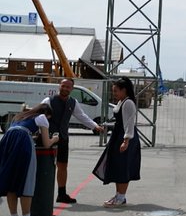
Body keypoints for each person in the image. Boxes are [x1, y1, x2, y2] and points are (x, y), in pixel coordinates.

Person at [43, 78, 104, 204]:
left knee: (63, 166)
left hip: (63, 139)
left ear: (72, 89)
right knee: (46, 167)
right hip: (47, 139)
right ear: (59, 86)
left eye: (68, 87)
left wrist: (94, 126)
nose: (65, 88)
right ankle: (42, 194)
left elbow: (82, 116)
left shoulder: (73, 102)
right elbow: (38, 116)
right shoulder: (49, 101)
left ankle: (61, 194)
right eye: (63, 86)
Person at [0, 104, 59, 216]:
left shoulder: (19, 117)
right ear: (47, 114)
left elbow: (21, 130)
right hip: (23, 143)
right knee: (27, 178)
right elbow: (47, 143)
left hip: (7, 141)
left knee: (11, 179)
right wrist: (54, 139)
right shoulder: (42, 117)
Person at [92, 77, 141, 208]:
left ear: (124, 90)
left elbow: (129, 123)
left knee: (123, 166)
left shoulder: (128, 103)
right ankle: (119, 195)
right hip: (118, 136)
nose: (114, 94)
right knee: (117, 165)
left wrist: (126, 141)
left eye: (116, 91)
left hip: (125, 137)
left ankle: (121, 197)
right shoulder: (122, 102)